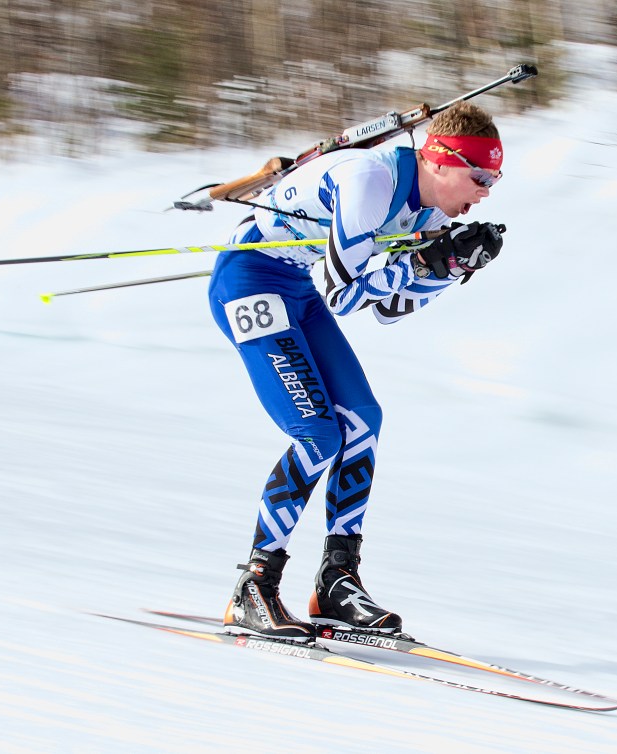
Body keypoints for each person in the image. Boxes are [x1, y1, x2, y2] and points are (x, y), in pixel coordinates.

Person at [207, 101, 505, 641]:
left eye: (495, 179)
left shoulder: (431, 211)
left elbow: (392, 307)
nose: (486, 190)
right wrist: (419, 264)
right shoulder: (370, 180)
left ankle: (338, 582)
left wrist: (450, 267)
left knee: (363, 419)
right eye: (479, 175)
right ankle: (254, 585)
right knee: (318, 433)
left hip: (297, 290)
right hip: (250, 280)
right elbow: (344, 294)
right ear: (439, 161)